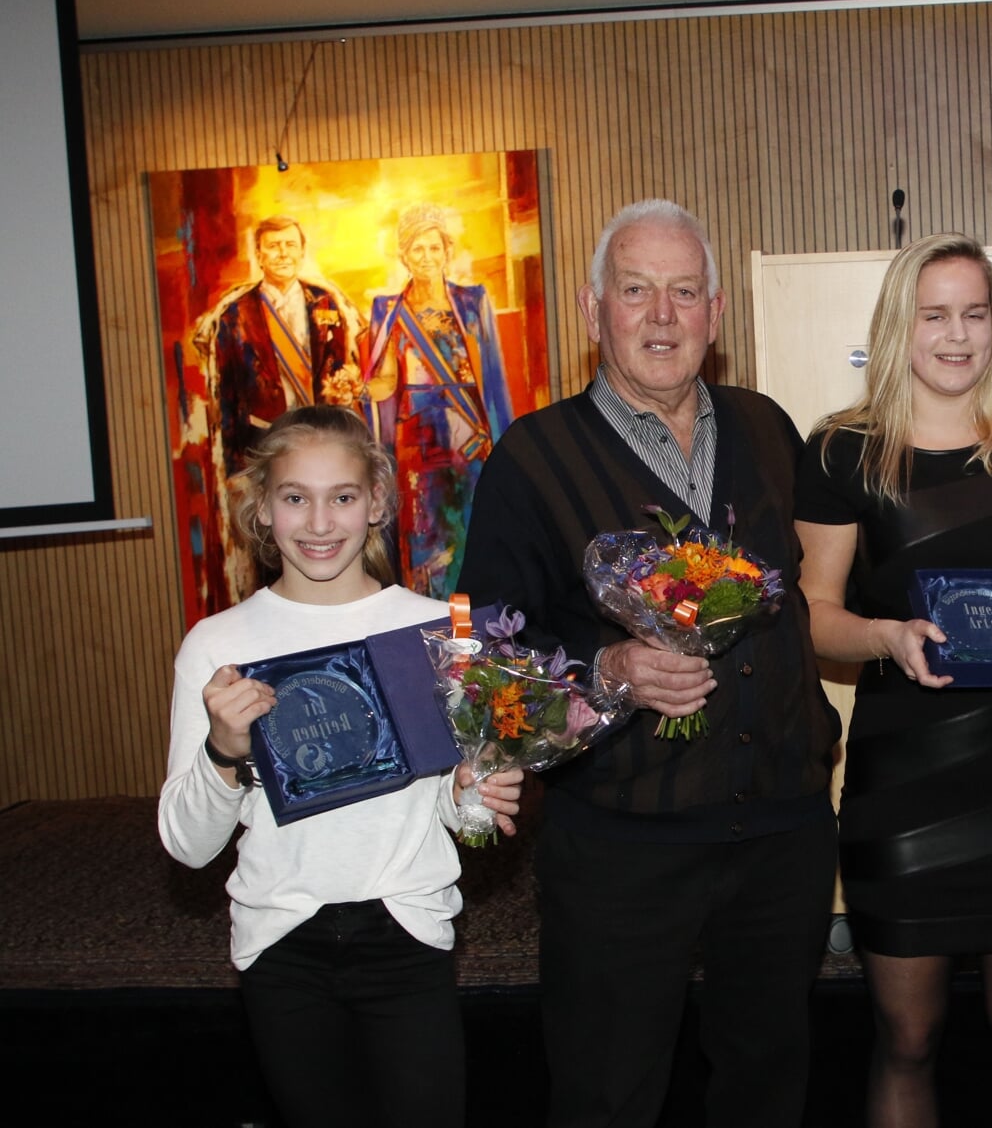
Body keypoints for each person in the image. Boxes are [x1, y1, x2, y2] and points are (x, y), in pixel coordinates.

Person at [457, 199, 841, 1128]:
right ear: (596, 311)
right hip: (625, 841)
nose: (661, 316)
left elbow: (815, 594)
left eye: (683, 293)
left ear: (715, 315)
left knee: (768, 1081)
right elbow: (486, 650)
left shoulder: (767, 431)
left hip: (781, 830)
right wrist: (612, 671)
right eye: (637, 291)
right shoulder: (531, 458)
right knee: (607, 1089)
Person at [794, 233, 992, 1128]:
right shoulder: (841, 451)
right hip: (901, 786)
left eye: (974, 313)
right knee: (908, 1038)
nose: (957, 335)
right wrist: (886, 635)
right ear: (901, 324)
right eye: (936, 315)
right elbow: (812, 613)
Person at [157, 404, 523, 1128]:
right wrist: (224, 753)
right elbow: (187, 844)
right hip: (280, 940)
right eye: (295, 497)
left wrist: (478, 791)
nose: (319, 523)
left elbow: (459, 812)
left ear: (378, 503)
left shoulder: (438, 630)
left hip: (408, 928)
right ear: (263, 509)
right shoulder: (217, 644)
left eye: (343, 497)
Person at [194, 215, 366, 610]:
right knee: (271, 557)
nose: (283, 253)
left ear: (302, 251)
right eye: (273, 246)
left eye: (290, 245)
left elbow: (341, 370)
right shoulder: (235, 314)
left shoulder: (325, 303)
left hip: (326, 452)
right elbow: (228, 399)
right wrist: (238, 465)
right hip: (266, 448)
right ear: (259, 254)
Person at [363, 203, 519, 598]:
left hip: (468, 437)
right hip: (415, 440)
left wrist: (505, 447)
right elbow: (382, 384)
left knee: (474, 527)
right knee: (423, 536)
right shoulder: (388, 309)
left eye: (434, 248)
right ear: (403, 256)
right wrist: (359, 389)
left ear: (447, 252)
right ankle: (426, 624)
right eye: (417, 249)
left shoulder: (472, 301)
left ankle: (483, 623)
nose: (427, 258)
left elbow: (494, 378)